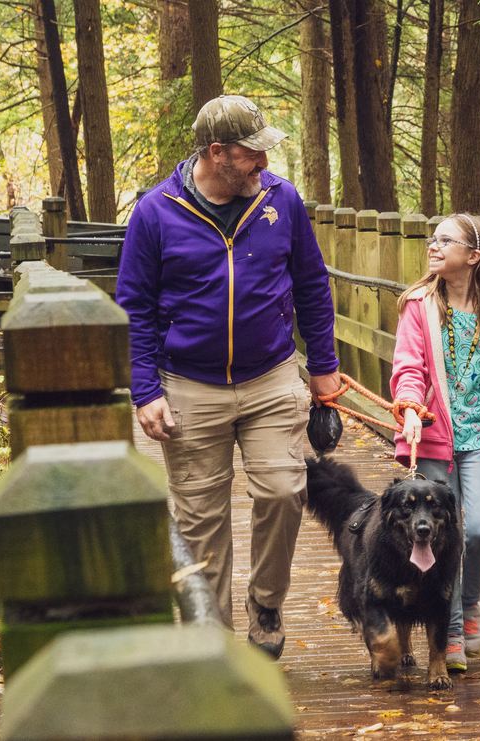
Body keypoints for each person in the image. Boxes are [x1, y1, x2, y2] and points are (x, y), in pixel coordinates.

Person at [117, 95, 341, 659]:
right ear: (216, 153)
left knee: (286, 491)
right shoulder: (154, 212)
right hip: (188, 385)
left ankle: (266, 603)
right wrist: (144, 391)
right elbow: (135, 307)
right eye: (251, 155)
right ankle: (210, 642)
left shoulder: (280, 200)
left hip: (270, 376)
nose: (263, 165)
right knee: (199, 519)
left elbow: (312, 283)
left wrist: (324, 367)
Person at [390, 213, 480, 671]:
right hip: (433, 436)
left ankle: (469, 605)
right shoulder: (418, 305)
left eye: (444, 240)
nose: (433, 246)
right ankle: (449, 628)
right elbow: (408, 367)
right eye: (432, 239)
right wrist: (410, 406)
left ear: (474, 256)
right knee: (440, 534)